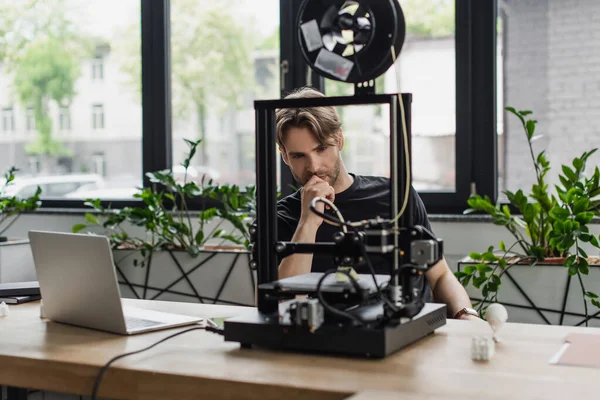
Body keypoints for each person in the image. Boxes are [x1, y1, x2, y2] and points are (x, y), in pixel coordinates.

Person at [275, 86, 477, 320]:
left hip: (407, 334)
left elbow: (440, 275)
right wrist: (308, 222)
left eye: (321, 148)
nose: (314, 166)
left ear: (339, 140)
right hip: (327, 341)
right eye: (298, 156)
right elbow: (283, 303)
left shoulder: (396, 196)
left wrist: (466, 314)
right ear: (284, 156)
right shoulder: (283, 217)